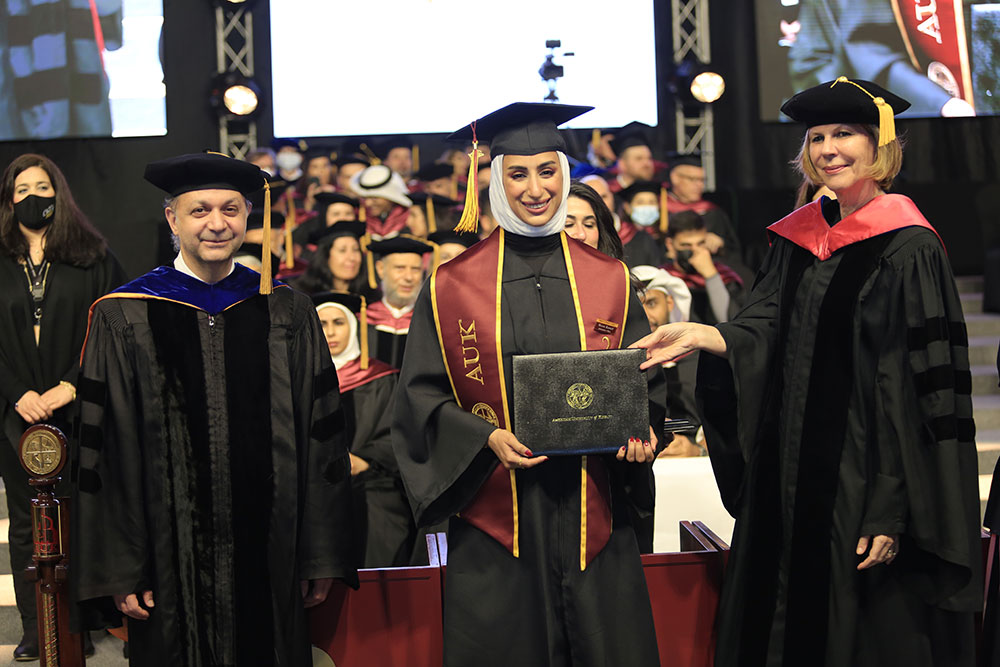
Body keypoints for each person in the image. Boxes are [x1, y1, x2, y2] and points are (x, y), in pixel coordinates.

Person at [633, 78, 982, 667]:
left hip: (863, 481)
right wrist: (706, 335)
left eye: (844, 134)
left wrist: (891, 505)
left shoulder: (908, 247)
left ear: (879, 145)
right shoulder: (798, 238)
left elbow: (918, 389)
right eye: (817, 137)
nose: (827, 149)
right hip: (784, 476)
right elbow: (765, 326)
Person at [393, 102, 665, 666]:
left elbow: (644, 380)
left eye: (547, 171)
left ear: (564, 176)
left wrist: (644, 434)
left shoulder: (610, 277)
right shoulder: (451, 285)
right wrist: (483, 437)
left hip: (593, 509)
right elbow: (420, 397)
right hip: (498, 522)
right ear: (495, 180)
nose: (535, 189)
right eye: (518, 174)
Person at [71, 152, 358, 666]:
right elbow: (105, 450)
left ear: (248, 215)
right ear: (172, 219)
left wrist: (318, 553)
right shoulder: (125, 314)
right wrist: (121, 565)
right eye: (199, 210)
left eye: (230, 209)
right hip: (164, 563)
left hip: (271, 556)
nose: (217, 223)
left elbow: (322, 440)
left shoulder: (287, 311)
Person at [0, 153, 125, 660]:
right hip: (16, 413)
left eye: (42, 187)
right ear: (9, 200)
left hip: (79, 408)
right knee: (26, 521)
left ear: (60, 195)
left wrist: (72, 385)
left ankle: (79, 625)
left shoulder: (93, 258)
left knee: (80, 516)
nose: (33, 196)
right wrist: (16, 392)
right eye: (22, 189)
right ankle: (38, 627)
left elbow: (114, 328)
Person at [313, 292, 411, 568]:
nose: (330, 332)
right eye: (322, 324)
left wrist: (365, 459)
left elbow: (400, 433)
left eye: (338, 323)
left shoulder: (383, 378)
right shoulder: (300, 380)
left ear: (354, 326)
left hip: (374, 483)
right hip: (316, 489)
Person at [662, 210, 744, 325]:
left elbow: (730, 321)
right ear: (670, 245)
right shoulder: (662, 279)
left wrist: (711, 275)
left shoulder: (726, 276)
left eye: (701, 243)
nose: (696, 251)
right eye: (686, 245)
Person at [366, 235, 432, 369]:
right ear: (380, 269)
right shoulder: (363, 321)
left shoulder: (430, 322)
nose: (409, 277)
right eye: (400, 268)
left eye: (415, 269)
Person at [293, 220, 370, 296]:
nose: (352, 258)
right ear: (326, 256)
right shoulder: (302, 297)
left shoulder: (370, 298)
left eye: (356, 250)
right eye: (342, 250)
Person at [351, 164, 413, 240]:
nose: (367, 203)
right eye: (364, 198)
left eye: (374, 198)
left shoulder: (409, 219)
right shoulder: (357, 218)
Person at [617, 180, 668, 268]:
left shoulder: (665, 237)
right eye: (640, 202)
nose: (646, 207)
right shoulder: (622, 236)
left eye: (652, 202)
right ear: (627, 207)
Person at [606, 121, 657, 192]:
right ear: (622, 164)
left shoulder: (660, 192)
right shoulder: (607, 191)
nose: (647, 164)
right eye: (639, 159)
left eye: (649, 158)